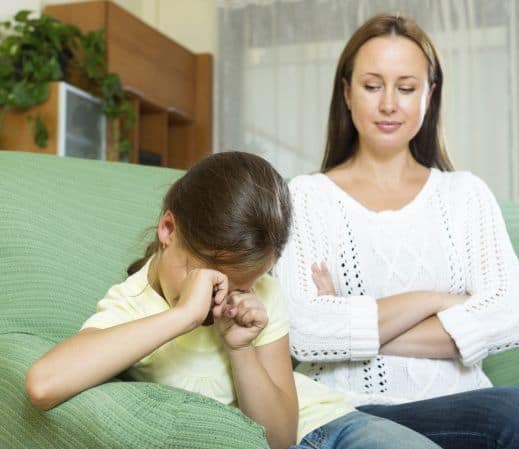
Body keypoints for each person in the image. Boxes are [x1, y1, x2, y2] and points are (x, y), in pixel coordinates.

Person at [273, 13, 519, 449]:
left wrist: (352, 321)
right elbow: (306, 332)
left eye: (406, 88)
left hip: (470, 400)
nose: (389, 103)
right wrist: (440, 302)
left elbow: (511, 316)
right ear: (347, 93)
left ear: (429, 95)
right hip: (361, 407)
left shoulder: (464, 194)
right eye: (372, 86)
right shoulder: (306, 197)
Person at [25, 151, 442, 449]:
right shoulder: (134, 305)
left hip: (335, 423)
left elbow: (280, 435)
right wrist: (184, 314)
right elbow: (43, 384)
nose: (221, 296)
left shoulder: (261, 295)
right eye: (207, 277)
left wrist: (241, 348)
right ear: (168, 229)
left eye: (242, 285)